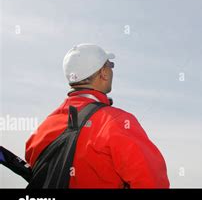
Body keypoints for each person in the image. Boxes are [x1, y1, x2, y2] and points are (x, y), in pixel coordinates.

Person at [25, 43, 169, 188]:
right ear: (104, 73)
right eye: (110, 65)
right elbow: (153, 182)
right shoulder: (117, 122)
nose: (112, 70)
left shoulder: (41, 130)